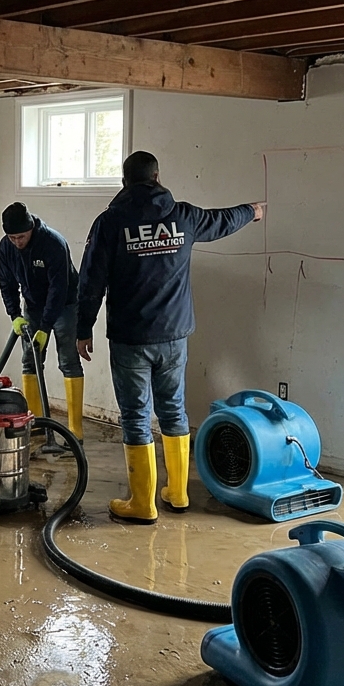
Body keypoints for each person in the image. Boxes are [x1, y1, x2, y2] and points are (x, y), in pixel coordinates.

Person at [77, 151, 264, 524]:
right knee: (173, 410)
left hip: (131, 337)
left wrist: (83, 328)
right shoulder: (184, 216)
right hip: (174, 336)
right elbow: (223, 220)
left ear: (124, 181)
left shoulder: (110, 223)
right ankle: (177, 494)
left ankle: (142, 504)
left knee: (135, 416)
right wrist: (253, 211)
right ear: (158, 176)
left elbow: (91, 280)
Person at [0, 202, 85, 439]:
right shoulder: (6, 247)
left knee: (68, 360)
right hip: (32, 306)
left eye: (21, 237)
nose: (17, 242)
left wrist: (45, 327)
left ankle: (75, 429)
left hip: (64, 304)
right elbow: (6, 282)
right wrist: (15, 315)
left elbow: (59, 288)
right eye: (12, 237)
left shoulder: (52, 243)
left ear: (31, 229)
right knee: (30, 360)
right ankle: (34, 421)